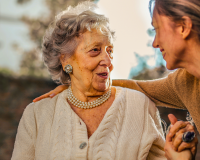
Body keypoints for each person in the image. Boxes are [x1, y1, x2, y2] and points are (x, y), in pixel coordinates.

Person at [33, 0, 200, 159]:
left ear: (183, 27)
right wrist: (78, 86)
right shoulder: (184, 83)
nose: (155, 43)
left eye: (157, 29)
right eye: (95, 50)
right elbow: (137, 87)